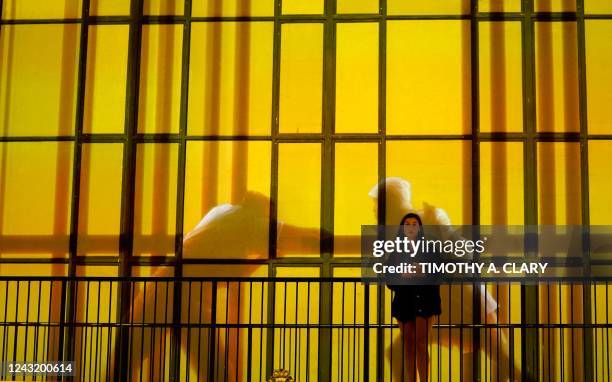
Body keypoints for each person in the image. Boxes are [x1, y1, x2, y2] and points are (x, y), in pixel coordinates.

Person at [370, 177, 519, 381]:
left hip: (459, 301)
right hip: (443, 302)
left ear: (390, 201)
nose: (374, 211)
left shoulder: (425, 220)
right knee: (502, 358)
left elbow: (463, 253)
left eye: (377, 204)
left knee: (502, 358)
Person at [385, 213, 441, 382]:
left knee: (421, 344)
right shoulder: (396, 252)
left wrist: (422, 271)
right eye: (407, 224)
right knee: (408, 346)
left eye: (414, 224)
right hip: (404, 302)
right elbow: (389, 279)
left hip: (425, 301)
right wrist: (402, 275)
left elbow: (439, 273)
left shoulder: (430, 249)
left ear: (419, 228)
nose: (410, 227)